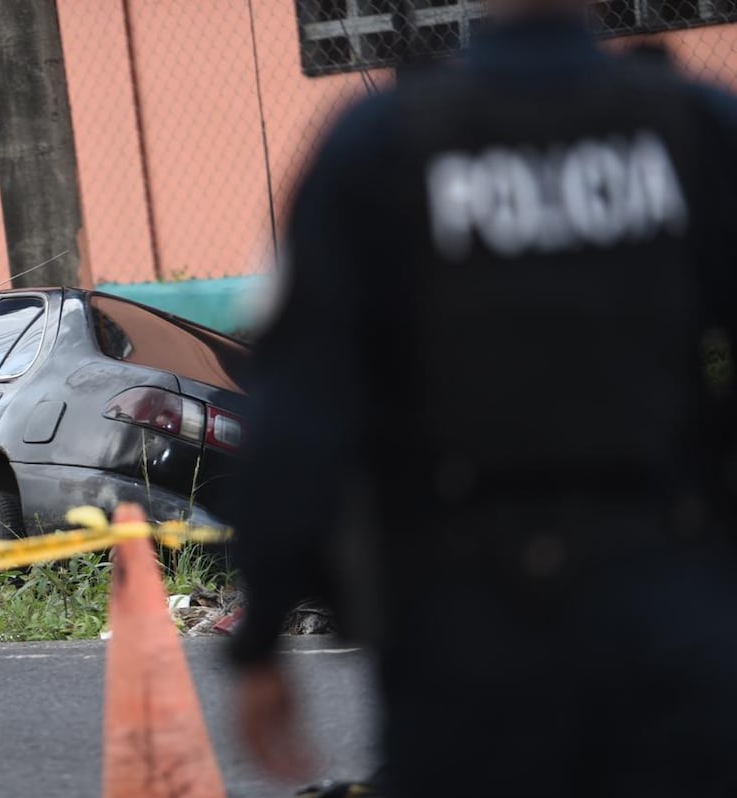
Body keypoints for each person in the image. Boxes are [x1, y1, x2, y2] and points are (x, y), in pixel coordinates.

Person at [226, 1, 737, 795]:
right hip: (667, 605)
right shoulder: (692, 128)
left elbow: (299, 414)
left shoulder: (380, 145)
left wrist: (261, 635)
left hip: (464, 632)